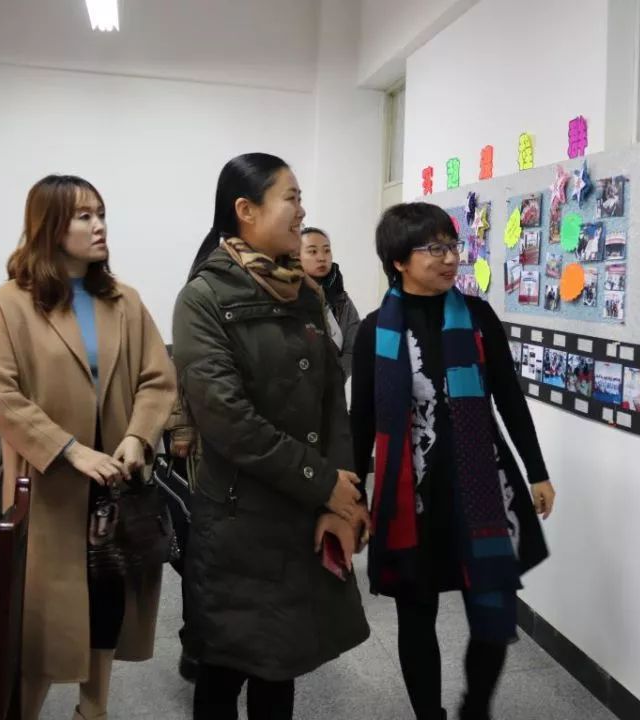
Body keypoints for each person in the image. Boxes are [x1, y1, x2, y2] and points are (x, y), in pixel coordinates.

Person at [173, 153, 370, 720]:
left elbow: (335, 398)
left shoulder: (304, 292)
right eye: (291, 197)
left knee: (281, 669)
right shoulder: (202, 299)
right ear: (246, 210)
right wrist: (322, 482)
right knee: (223, 671)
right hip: (239, 521)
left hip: (301, 514)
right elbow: (227, 420)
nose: (302, 211)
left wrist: (340, 495)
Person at [0, 175, 176, 720]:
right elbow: (0, 394)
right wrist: (67, 449)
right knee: (40, 624)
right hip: (46, 490)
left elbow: (157, 380)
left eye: (101, 213)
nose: (99, 225)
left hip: (115, 487)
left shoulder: (124, 301)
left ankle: (95, 710)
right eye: (83, 216)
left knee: (107, 604)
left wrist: (138, 436)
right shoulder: (10, 304)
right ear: (49, 227)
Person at [350, 202, 555, 720]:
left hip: (483, 486)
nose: (449, 259)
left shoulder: (478, 317)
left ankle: (474, 708)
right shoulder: (375, 331)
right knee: (416, 616)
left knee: (493, 610)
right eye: (434, 248)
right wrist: (353, 496)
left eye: (452, 246)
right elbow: (362, 422)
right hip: (411, 495)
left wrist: (537, 470)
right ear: (398, 259)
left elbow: (508, 396)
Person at [299, 227, 360, 380]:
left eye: (326, 251)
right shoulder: (285, 296)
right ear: (296, 255)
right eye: (312, 251)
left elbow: (353, 349)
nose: (322, 257)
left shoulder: (342, 300)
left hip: (333, 391)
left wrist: (335, 378)